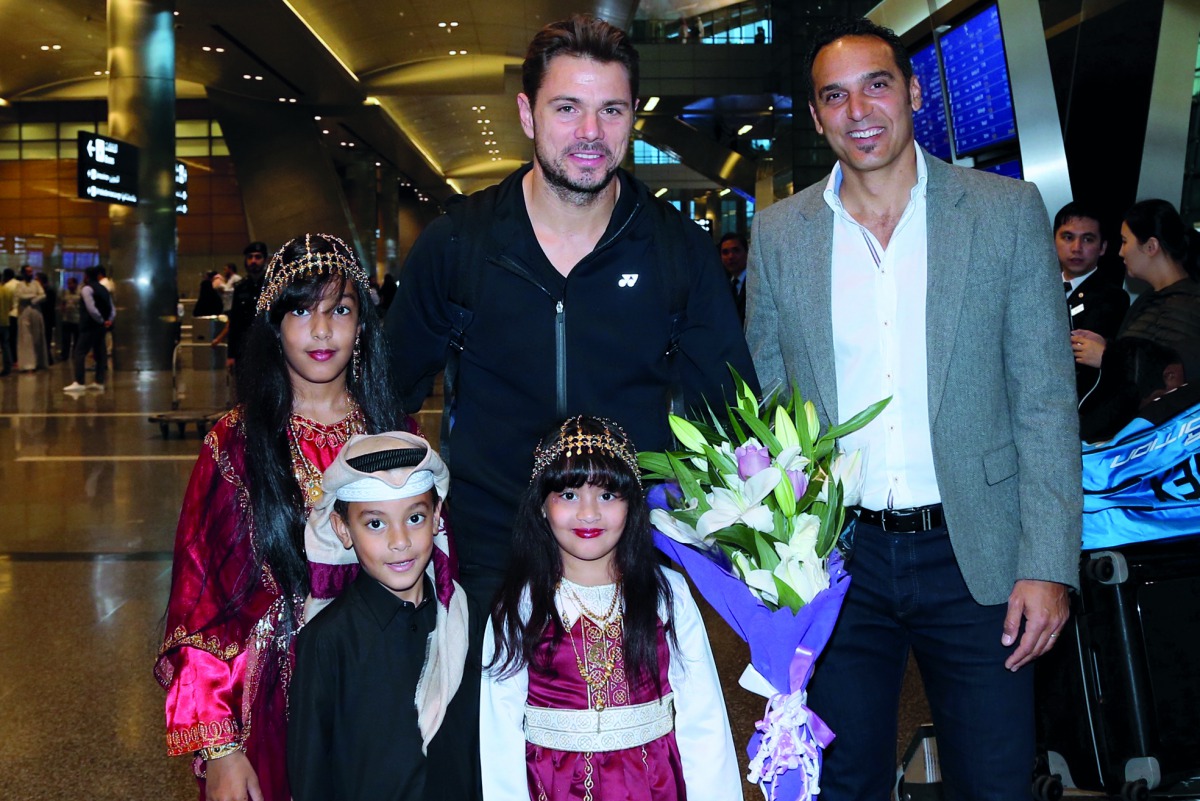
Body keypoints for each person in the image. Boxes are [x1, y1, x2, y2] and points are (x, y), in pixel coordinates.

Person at [745, 18, 1080, 800]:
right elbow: (767, 405)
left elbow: (1044, 399)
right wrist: (774, 562)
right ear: (817, 114)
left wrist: (1048, 562)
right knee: (843, 781)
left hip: (981, 556)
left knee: (995, 780)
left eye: (877, 84)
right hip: (837, 559)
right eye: (835, 95)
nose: (858, 109)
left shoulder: (1004, 211)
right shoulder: (780, 235)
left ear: (914, 91)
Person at [386, 14, 755, 604]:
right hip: (490, 561)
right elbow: (386, 397)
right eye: (566, 108)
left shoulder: (675, 248)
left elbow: (731, 423)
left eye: (611, 110)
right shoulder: (460, 244)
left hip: (632, 566)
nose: (591, 130)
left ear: (633, 117)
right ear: (527, 113)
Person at [154, 234, 403, 801]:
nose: (321, 332)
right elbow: (201, 599)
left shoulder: (394, 431)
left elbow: (438, 574)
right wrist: (221, 747)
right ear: (273, 324)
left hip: (387, 689)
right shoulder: (235, 442)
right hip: (272, 705)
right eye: (301, 310)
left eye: (340, 310)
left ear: (362, 323)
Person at [481, 415, 740, 801]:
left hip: (655, 787)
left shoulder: (668, 595)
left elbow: (703, 720)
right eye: (569, 495)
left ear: (632, 505)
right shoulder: (520, 605)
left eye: (607, 495)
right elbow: (499, 733)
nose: (589, 513)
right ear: (541, 506)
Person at [290, 431, 481, 801]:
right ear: (343, 529)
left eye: (414, 518)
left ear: (437, 517)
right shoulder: (327, 640)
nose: (399, 541)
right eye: (375, 523)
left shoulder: (465, 619)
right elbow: (310, 774)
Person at [1073, 199, 1200, 384]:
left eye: (1125, 242)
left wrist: (1106, 357)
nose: (1121, 252)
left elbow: (1170, 376)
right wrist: (1107, 347)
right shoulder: (1149, 298)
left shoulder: (1187, 304)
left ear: (1151, 247)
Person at [1055, 202, 1129, 401]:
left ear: (1102, 247)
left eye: (1087, 239)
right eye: (1068, 237)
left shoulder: (1112, 298)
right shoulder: (1035, 289)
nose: (1076, 248)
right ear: (1053, 242)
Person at [212, 242, 269, 372]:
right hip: (245, 350)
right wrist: (231, 355)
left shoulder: (273, 286)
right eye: (250, 257)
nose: (253, 261)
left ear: (265, 260)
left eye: (258, 257)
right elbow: (235, 323)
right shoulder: (240, 287)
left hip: (268, 349)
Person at [64, 266, 114, 392]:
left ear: (86, 276)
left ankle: (79, 382)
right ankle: (99, 381)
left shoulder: (87, 289)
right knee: (100, 352)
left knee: (80, 352)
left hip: (89, 326)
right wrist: (108, 320)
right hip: (101, 327)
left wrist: (100, 320)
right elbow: (112, 308)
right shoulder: (104, 289)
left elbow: (91, 308)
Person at [13, 264, 48, 372]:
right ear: (23, 273)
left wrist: (33, 299)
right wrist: (33, 296)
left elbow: (43, 295)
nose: (30, 274)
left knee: (37, 337)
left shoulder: (36, 283)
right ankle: (28, 364)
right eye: (28, 272)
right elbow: (20, 296)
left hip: (36, 312)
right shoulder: (19, 285)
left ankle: (39, 362)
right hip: (24, 313)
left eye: (31, 271)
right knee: (26, 338)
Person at [719, 232, 749, 323]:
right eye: (725, 252)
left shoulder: (755, 283)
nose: (730, 256)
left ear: (747, 253)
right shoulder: (723, 286)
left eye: (736, 250)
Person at [35, 272, 57, 365]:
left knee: (46, 339)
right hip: (45, 318)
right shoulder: (45, 290)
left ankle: (47, 359)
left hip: (47, 318)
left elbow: (48, 305)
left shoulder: (48, 291)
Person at [59, 276, 81, 362]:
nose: (69, 285)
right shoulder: (65, 293)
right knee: (65, 339)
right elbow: (63, 303)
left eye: (71, 283)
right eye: (68, 283)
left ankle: (76, 354)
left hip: (77, 319)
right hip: (66, 319)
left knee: (77, 339)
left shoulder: (80, 294)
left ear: (75, 284)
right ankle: (65, 355)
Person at [0, 269, 13, 376]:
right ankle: (7, 367)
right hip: (5, 321)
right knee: (5, 345)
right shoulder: (6, 290)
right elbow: (11, 306)